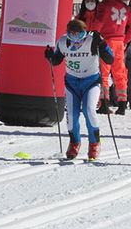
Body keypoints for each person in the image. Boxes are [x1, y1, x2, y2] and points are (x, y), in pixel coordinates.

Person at [45, 19, 114, 160]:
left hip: (91, 81)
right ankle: (74, 142)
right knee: (72, 115)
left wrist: (102, 43)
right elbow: (57, 60)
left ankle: (94, 144)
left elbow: (110, 59)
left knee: (89, 110)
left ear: (84, 34)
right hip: (72, 83)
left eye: (79, 39)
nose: (76, 43)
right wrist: (50, 56)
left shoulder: (92, 40)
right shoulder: (63, 42)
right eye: (73, 38)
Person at [93, 0, 131, 115]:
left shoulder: (104, 5)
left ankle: (104, 103)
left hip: (106, 42)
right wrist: (125, 40)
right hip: (120, 42)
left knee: (104, 73)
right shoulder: (125, 7)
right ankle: (122, 104)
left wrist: (93, 35)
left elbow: (99, 22)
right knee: (120, 73)